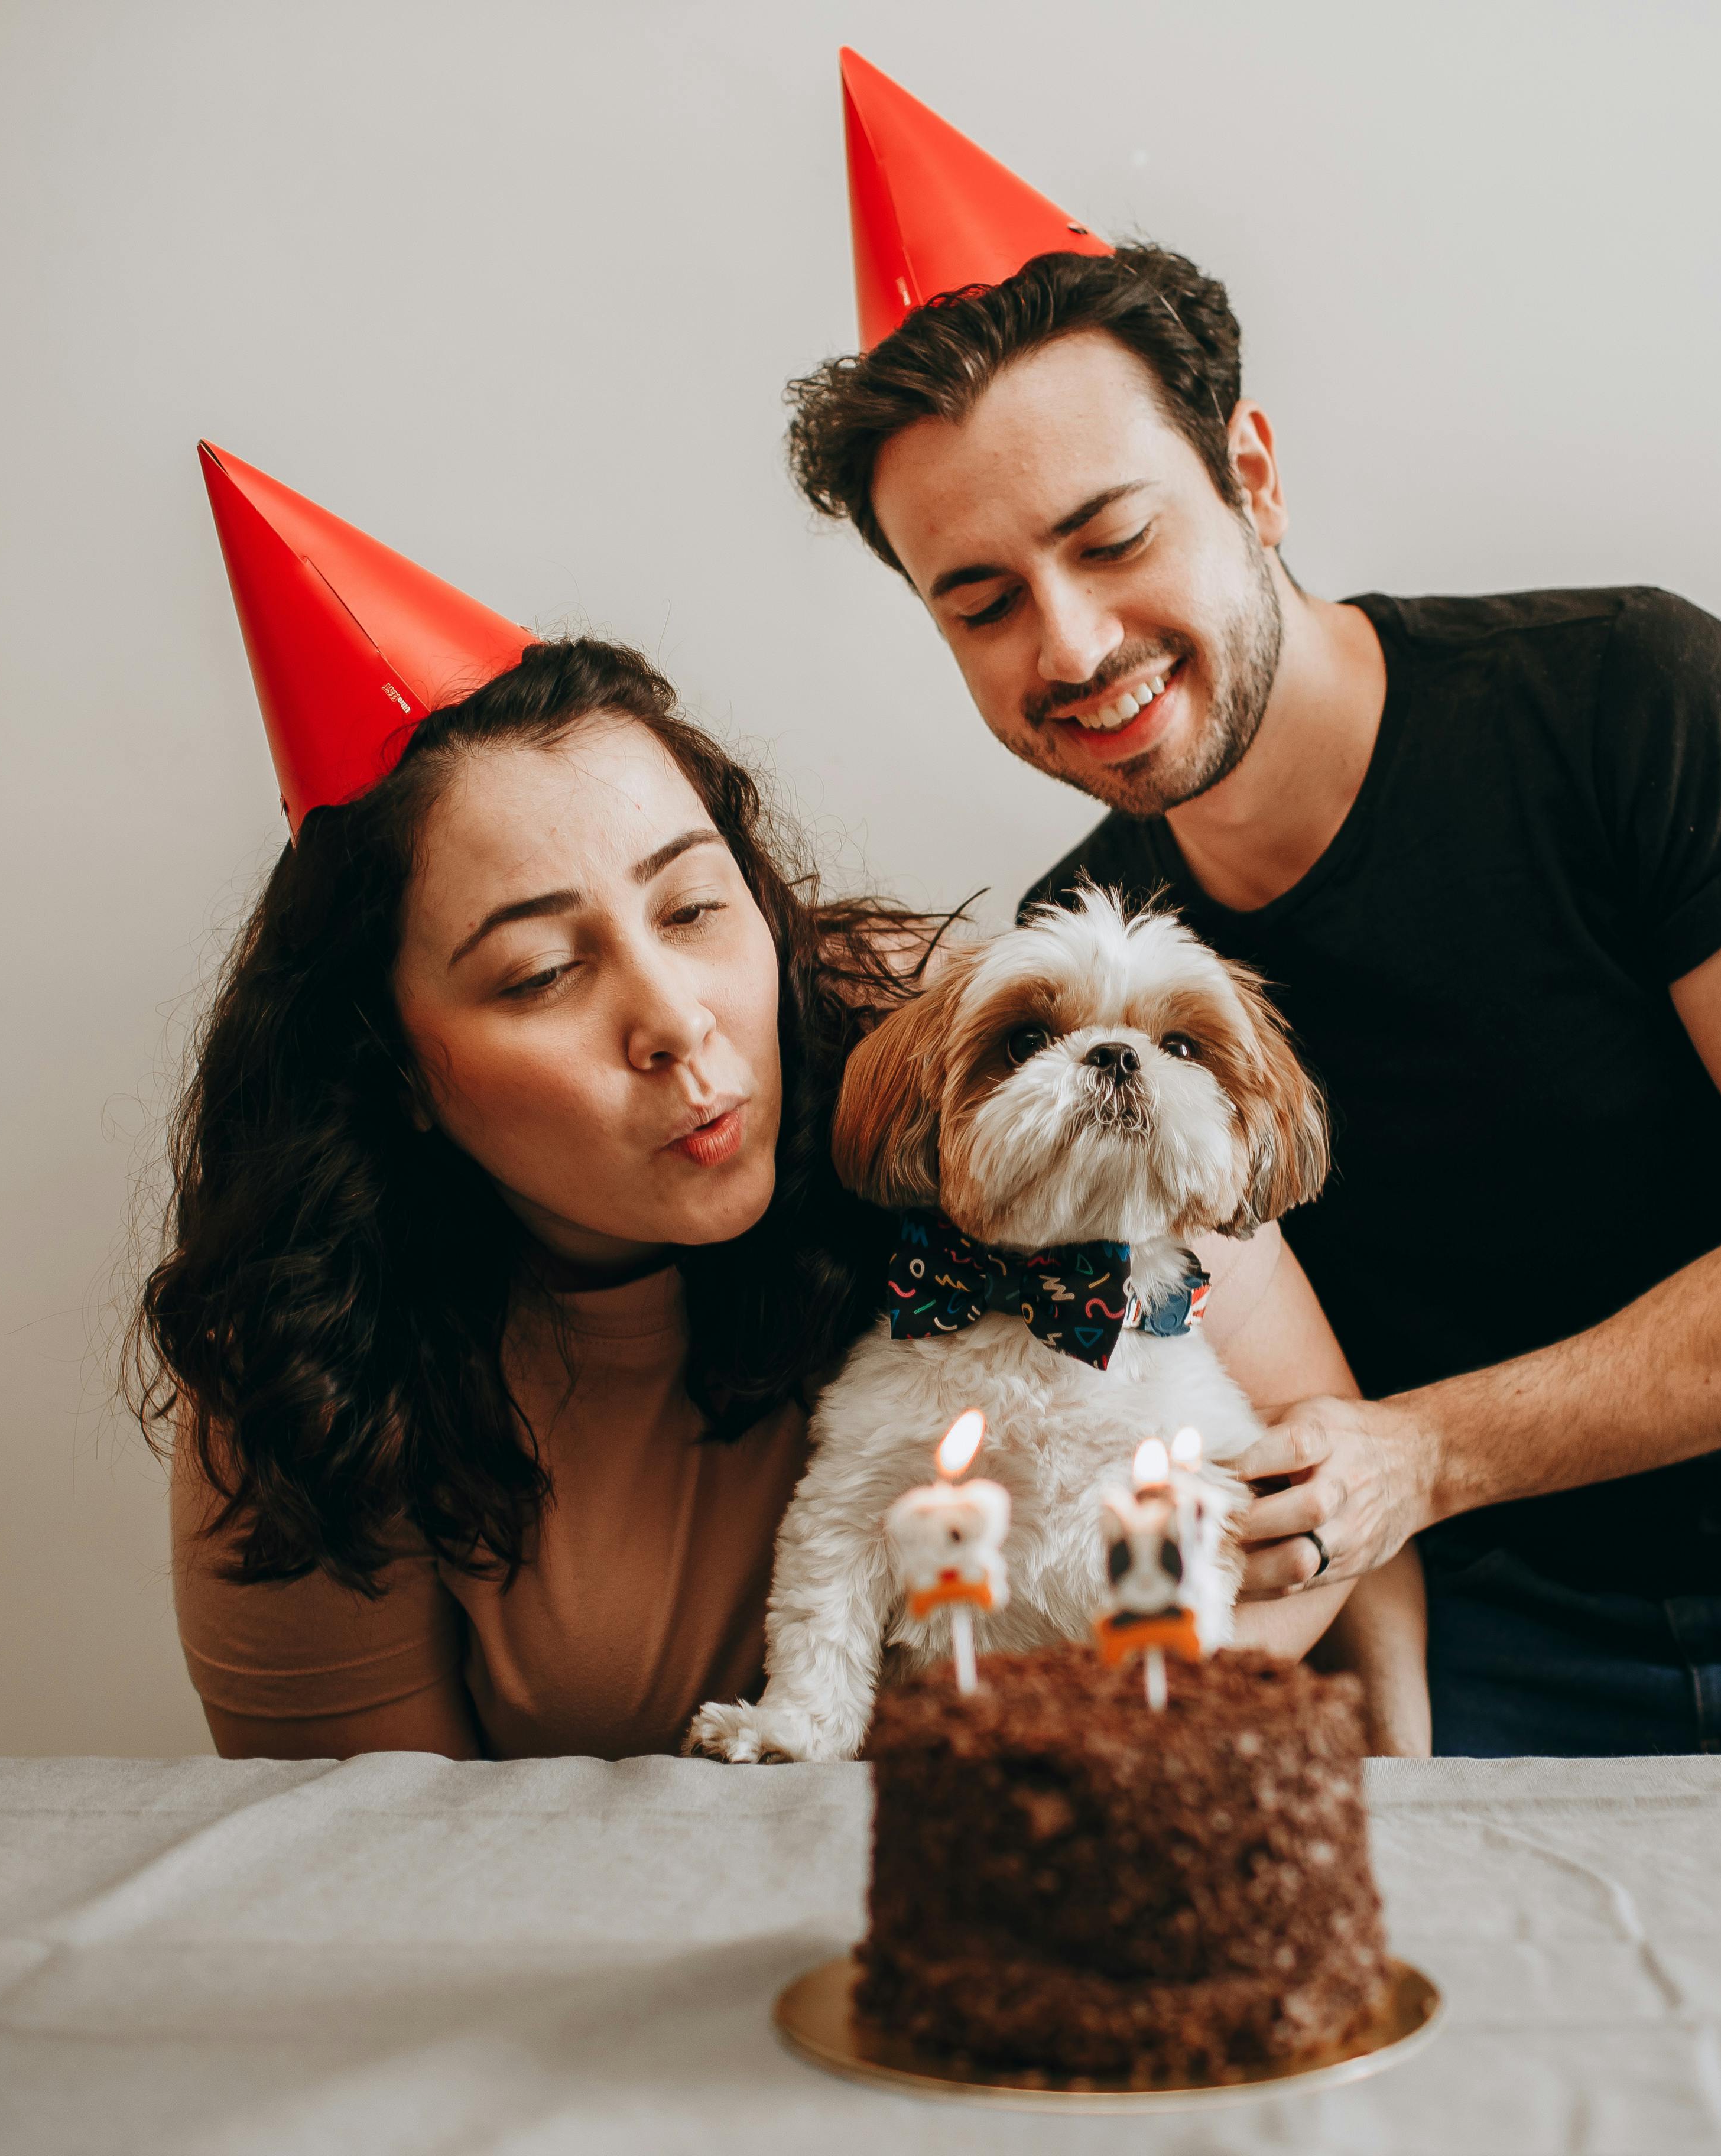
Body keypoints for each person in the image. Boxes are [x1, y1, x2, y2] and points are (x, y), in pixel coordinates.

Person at [777, 55, 1721, 1756]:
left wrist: (1436, 1452)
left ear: (1253, 473)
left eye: (1111, 539)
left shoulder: (1630, 700)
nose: (1072, 645)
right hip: (1502, 1637)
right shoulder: (1082, 976)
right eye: (983, 601)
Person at [138, 446, 1423, 1760]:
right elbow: (355, 1851)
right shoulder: (301, 1351)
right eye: (540, 972)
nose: (676, 1020)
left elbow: (1338, 1528)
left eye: (695, 907)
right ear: (391, 1067)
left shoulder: (969, 1038)